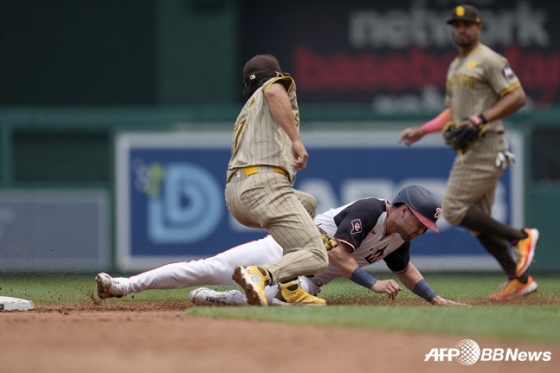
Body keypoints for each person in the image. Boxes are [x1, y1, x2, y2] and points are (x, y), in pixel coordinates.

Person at [96, 185, 464, 307]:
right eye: (421, 220)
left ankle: (217, 298)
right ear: (401, 209)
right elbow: (337, 253)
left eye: (427, 225)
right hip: (281, 253)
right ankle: (123, 286)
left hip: (309, 281)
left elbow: (404, 270)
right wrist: (371, 283)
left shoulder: (400, 235)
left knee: (279, 302)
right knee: (205, 267)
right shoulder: (371, 210)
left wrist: (434, 298)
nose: (423, 229)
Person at [398, 4, 538, 301]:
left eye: (467, 24)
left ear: (479, 28)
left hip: (487, 145)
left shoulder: (489, 59)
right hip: (470, 149)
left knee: (453, 209)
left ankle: (521, 238)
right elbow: (454, 111)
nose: (461, 29)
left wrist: (481, 119)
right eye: (456, 24)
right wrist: (424, 129)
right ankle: (520, 279)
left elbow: (517, 96)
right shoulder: (455, 66)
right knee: (478, 224)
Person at [225, 54, 328, 306]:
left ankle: (290, 288)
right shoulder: (273, 88)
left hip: (237, 194)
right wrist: (296, 139)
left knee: (307, 204)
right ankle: (260, 273)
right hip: (263, 184)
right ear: (275, 75)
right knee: (316, 254)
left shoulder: (247, 109)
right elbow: (274, 91)